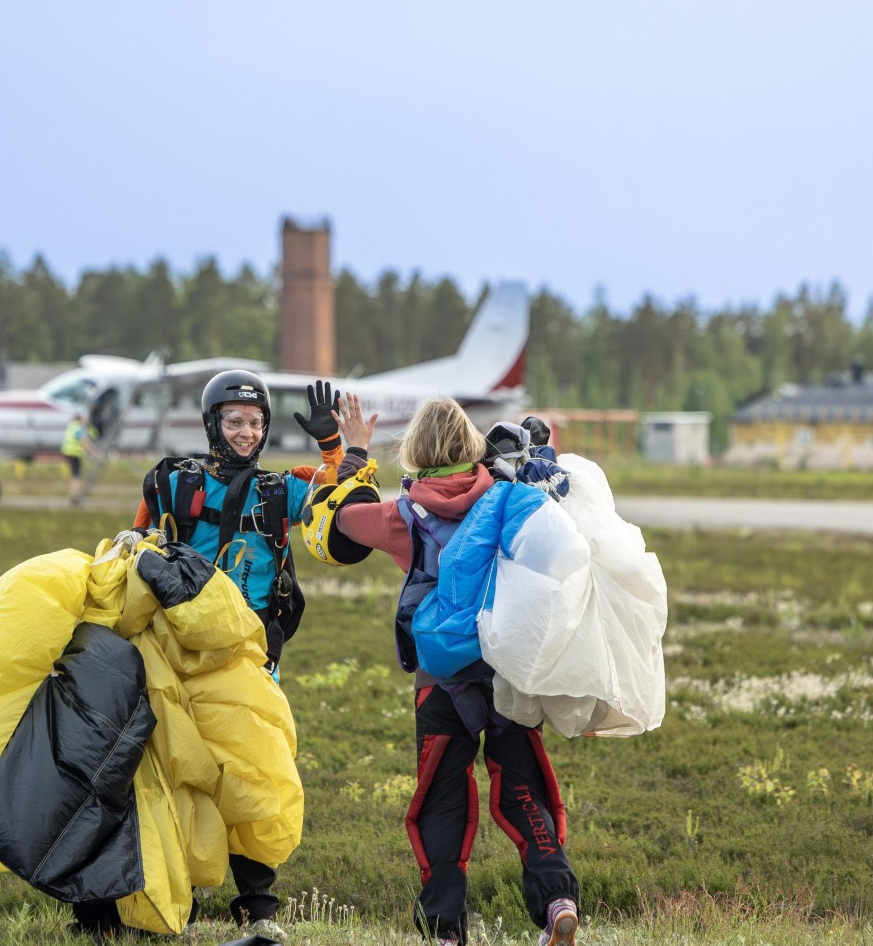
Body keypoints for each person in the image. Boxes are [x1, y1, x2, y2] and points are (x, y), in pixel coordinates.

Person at [326, 394, 581, 946]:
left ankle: (445, 930)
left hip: (441, 685)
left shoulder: (401, 517)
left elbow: (340, 520)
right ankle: (558, 897)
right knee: (522, 787)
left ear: (415, 451)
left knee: (442, 799)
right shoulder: (512, 495)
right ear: (473, 447)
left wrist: (353, 455)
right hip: (507, 671)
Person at [120, 369, 346, 944]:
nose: (246, 432)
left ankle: (257, 905)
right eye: (235, 421)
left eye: (255, 423)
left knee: (251, 775)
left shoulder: (281, 491)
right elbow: (138, 539)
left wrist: (333, 447)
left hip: (250, 664)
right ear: (212, 423)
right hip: (182, 656)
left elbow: (341, 509)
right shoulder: (173, 482)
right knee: (180, 772)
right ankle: (178, 898)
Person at [61, 411, 99, 505]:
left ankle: (73, 495)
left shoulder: (71, 426)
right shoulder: (78, 428)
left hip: (68, 452)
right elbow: (83, 441)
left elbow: (92, 434)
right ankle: (75, 497)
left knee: (75, 475)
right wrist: (93, 453)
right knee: (77, 476)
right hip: (74, 453)